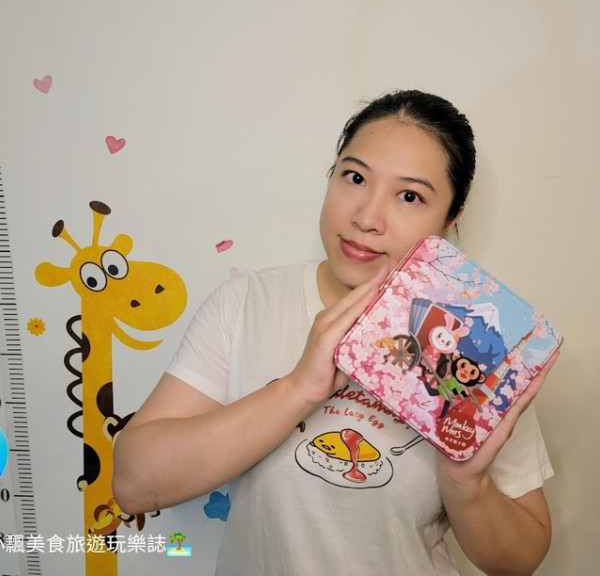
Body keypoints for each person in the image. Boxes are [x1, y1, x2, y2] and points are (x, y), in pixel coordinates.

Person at [113, 90, 559, 575]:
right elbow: (134, 484)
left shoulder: (478, 350)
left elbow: (522, 560)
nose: (366, 218)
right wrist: (297, 390)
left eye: (410, 196)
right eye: (355, 177)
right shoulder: (246, 304)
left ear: (451, 218)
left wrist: (468, 486)